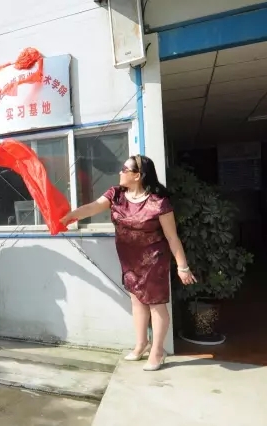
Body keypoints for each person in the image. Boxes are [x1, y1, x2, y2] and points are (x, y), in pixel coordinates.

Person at [60, 154, 196, 371]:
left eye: (125, 169)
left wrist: (183, 266)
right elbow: (93, 207)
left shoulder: (158, 203)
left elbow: (172, 237)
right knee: (137, 301)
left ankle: (157, 351)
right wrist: (70, 216)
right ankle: (141, 344)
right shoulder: (116, 195)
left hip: (153, 259)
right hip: (129, 259)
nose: (120, 172)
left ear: (138, 175)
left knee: (156, 305)